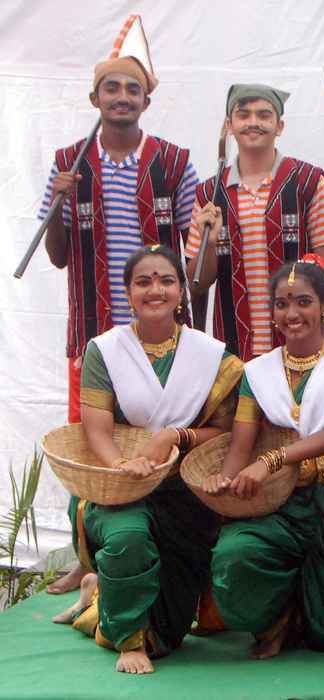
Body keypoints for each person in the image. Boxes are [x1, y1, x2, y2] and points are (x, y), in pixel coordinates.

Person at [38, 56, 199, 595]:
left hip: (161, 329)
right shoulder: (68, 163)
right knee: (89, 442)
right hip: (94, 327)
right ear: (95, 99)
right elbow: (57, 255)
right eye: (111, 87)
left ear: (146, 101)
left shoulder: (175, 163)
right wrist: (58, 203)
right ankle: (86, 555)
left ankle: (170, 554)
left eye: (133, 88)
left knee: (165, 433)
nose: (122, 96)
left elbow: (192, 252)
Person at [54, 244, 241, 675]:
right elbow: (95, 429)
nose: (155, 290)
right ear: (128, 293)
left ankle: (96, 598)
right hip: (121, 488)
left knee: (168, 636)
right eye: (143, 282)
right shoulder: (106, 350)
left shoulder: (211, 355)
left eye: (166, 281)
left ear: (180, 291)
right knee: (129, 539)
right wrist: (123, 467)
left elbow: (228, 432)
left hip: (182, 494)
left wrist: (175, 436)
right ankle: (128, 640)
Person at [203, 256, 324, 659]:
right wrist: (224, 481)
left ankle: (311, 618)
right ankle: (276, 618)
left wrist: (272, 460)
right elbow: (240, 448)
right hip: (276, 501)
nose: (292, 313)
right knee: (234, 555)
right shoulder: (256, 372)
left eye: (303, 302)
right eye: (281, 304)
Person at [187, 84, 324, 359]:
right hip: (234, 348)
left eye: (264, 115)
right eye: (243, 114)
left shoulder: (308, 182)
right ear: (229, 125)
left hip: (299, 345)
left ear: (279, 126)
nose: (253, 122)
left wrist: (323, 341)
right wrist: (208, 244)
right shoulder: (209, 194)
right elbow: (197, 282)